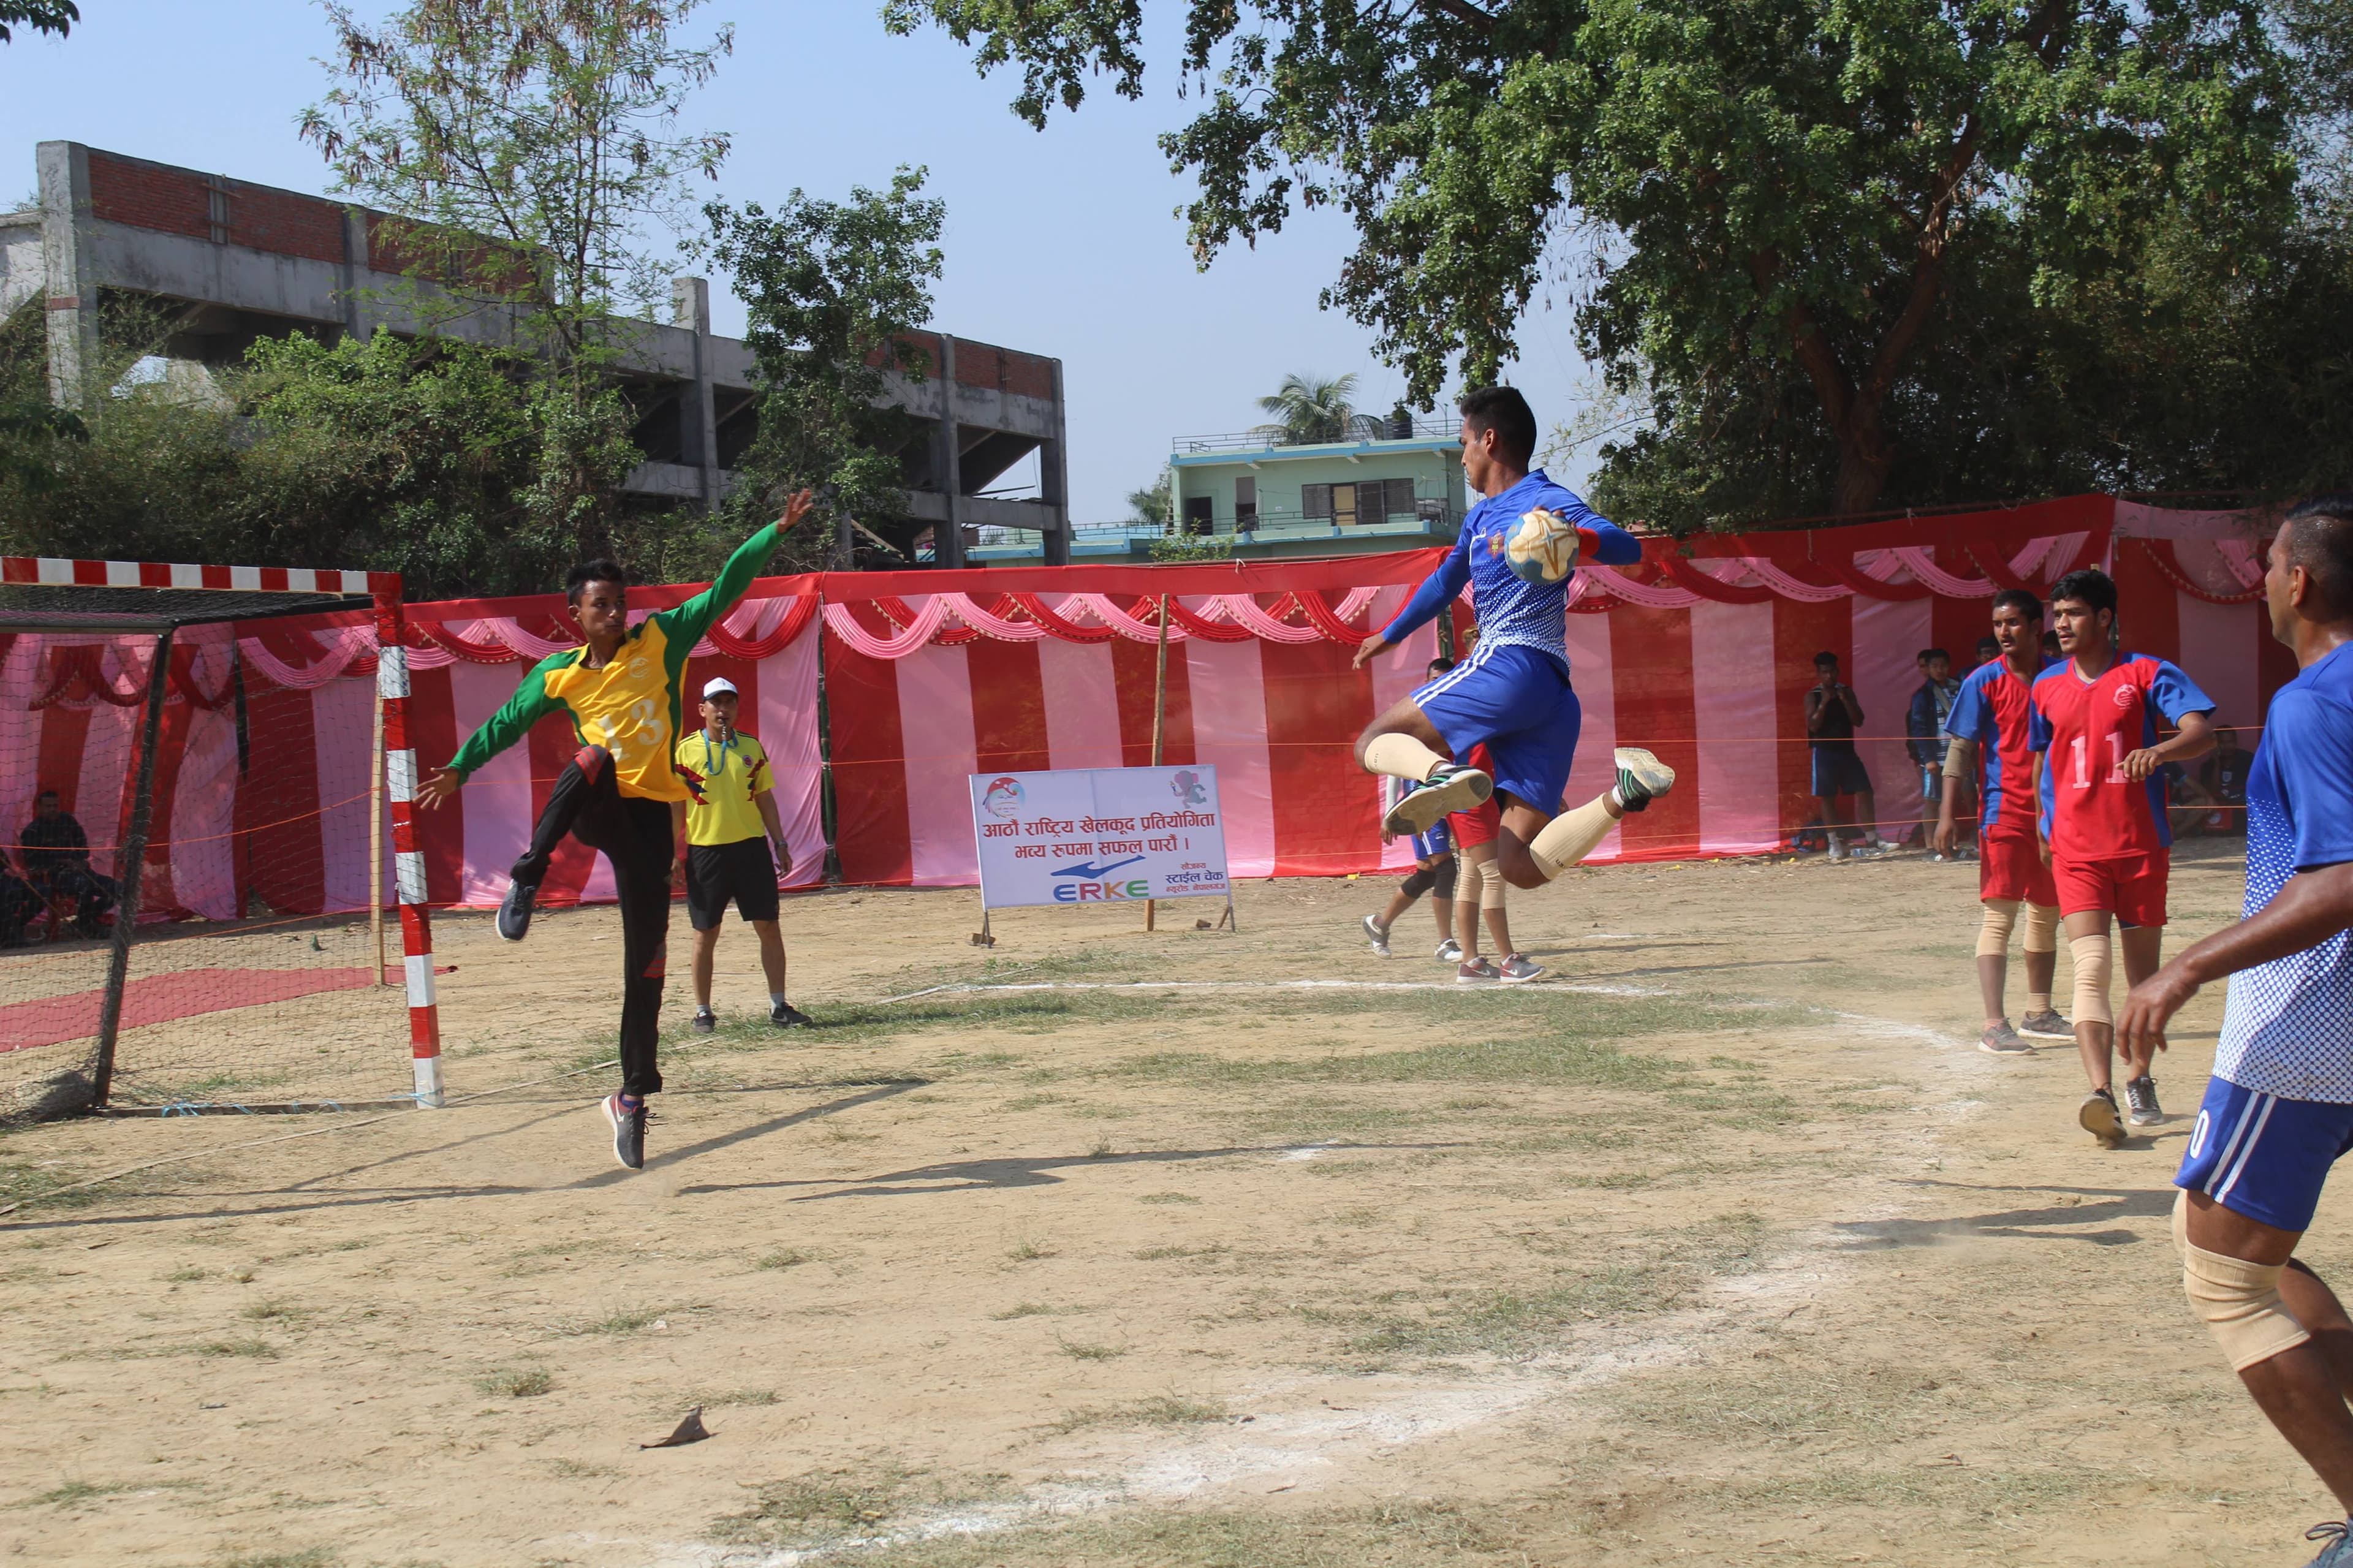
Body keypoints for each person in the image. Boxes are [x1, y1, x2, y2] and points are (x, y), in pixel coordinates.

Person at [416, 491, 813, 1172]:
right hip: (599, 800)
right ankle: (527, 878)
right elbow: (504, 725)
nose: (615, 612)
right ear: (574, 615)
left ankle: (632, 1096)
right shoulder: (560, 674)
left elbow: (726, 589)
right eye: (601, 604)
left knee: (649, 963)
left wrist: (772, 533)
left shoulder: (661, 639)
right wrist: (459, 767)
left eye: (619, 601)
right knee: (591, 757)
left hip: (651, 824)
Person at [2119, 497, 2353, 1568]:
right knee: (2247, 1241)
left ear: (2299, 581)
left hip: (2312, 1028)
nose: (2257, 580)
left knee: (2222, 1275)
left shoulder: (2316, 703)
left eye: (2266, 565)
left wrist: (2189, 960)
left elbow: (2341, 878)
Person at [1349, 386, 1677, 896]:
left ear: (1490, 440)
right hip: (1552, 696)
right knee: (1520, 866)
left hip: (1508, 664)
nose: (1462, 457)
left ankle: (1439, 775)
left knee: (1370, 743)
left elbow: (1626, 546)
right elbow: (1445, 582)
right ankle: (1624, 792)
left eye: (1464, 443)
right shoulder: (1479, 518)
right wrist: (1389, 635)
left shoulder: (1545, 501)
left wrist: (1576, 536)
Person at [2029, 566, 2215, 1146]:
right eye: (2057, 614)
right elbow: (2041, 760)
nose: (2062, 624)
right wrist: (2043, 822)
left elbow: (2201, 732)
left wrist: (2158, 752)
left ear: (2105, 618)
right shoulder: (2045, 685)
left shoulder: (2146, 671)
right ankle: (2101, 1093)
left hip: (2139, 847)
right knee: (2091, 967)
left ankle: (2140, 1078)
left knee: (2142, 979)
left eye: (2075, 613)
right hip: (2077, 851)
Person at [1938, 590, 2069, 1055]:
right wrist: (1946, 814)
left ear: (2037, 626)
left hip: (2056, 817)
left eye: (2013, 623)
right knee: (2000, 916)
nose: (2004, 632)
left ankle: (2040, 1012)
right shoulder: (1983, 681)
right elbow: (1960, 748)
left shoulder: (2062, 676)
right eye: (1998, 624)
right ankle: (1994, 1023)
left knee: (2047, 913)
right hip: (2004, 814)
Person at [674, 676, 808, 1034]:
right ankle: (703, 1011)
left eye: (729, 703)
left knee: (768, 925)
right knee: (706, 931)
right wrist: (673, 851)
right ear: (702, 709)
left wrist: (780, 843)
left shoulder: (751, 747)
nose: (723, 710)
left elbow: (765, 797)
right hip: (706, 851)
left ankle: (779, 1005)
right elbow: (674, 804)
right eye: (715, 704)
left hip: (751, 848)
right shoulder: (685, 750)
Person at [1366, 660, 1462, 960]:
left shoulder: (1459, 710)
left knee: (1427, 875)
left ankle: (1379, 924)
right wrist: (1392, 811)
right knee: (1446, 868)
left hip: (1447, 796)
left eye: (1445, 680)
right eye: (1434, 678)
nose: (1438, 684)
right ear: (1426, 679)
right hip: (1422, 800)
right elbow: (1398, 764)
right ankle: (1446, 943)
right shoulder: (1416, 714)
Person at [1446, 744, 1543, 983]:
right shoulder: (1477, 716)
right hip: (1471, 797)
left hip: (1468, 796)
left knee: (1472, 877)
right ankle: (1508, 961)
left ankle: (1471, 964)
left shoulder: (1455, 715)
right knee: (1493, 876)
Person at [1806, 652, 1881, 858]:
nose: (1829, 676)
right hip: (1823, 752)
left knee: (1865, 791)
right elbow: (1812, 725)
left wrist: (1845, 700)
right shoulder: (1813, 695)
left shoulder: (1847, 692)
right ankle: (1834, 843)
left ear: (1837, 671)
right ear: (1819, 674)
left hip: (1847, 751)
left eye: (1832, 671)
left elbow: (1859, 720)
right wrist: (1824, 703)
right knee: (1827, 797)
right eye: (1824, 672)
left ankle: (1872, 840)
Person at [20, 789, 115, 937]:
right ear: (39, 808)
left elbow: (83, 849)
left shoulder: (68, 821)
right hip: (54, 877)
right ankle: (87, 927)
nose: (52, 809)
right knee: (85, 885)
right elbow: (33, 864)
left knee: (118, 889)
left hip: (79, 871)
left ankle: (84, 920)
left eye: (55, 806)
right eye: (48, 806)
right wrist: (61, 862)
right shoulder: (32, 831)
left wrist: (79, 861)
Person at [1907, 648, 1963, 855]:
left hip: (1956, 753)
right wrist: (1928, 758)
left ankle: (1950, 844)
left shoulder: (1958, 688)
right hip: (1934, 756)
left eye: (1943, 666)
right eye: (1935, 666)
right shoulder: (1922, 696)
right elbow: (1919, 728)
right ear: (1928, 669)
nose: (1939, 670)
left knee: (1951, 800)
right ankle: (1931, 845)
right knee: (1932, 800)